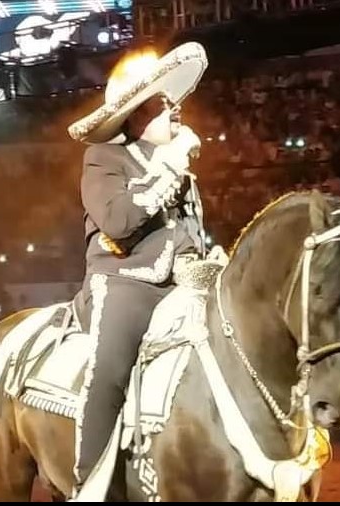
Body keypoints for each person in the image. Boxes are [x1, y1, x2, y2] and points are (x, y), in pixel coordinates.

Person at [66, 42, 211, 492]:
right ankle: (90, 486)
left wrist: (208, 257)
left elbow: (189, 231)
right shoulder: (104, 159)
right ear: (135, 117)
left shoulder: (181, 170)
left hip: (182, 284)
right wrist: (169, 168)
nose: (176, 111)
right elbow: (118, 221)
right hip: (125, 282)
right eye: (162, 104)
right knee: (109, 373)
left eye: (174, 103)